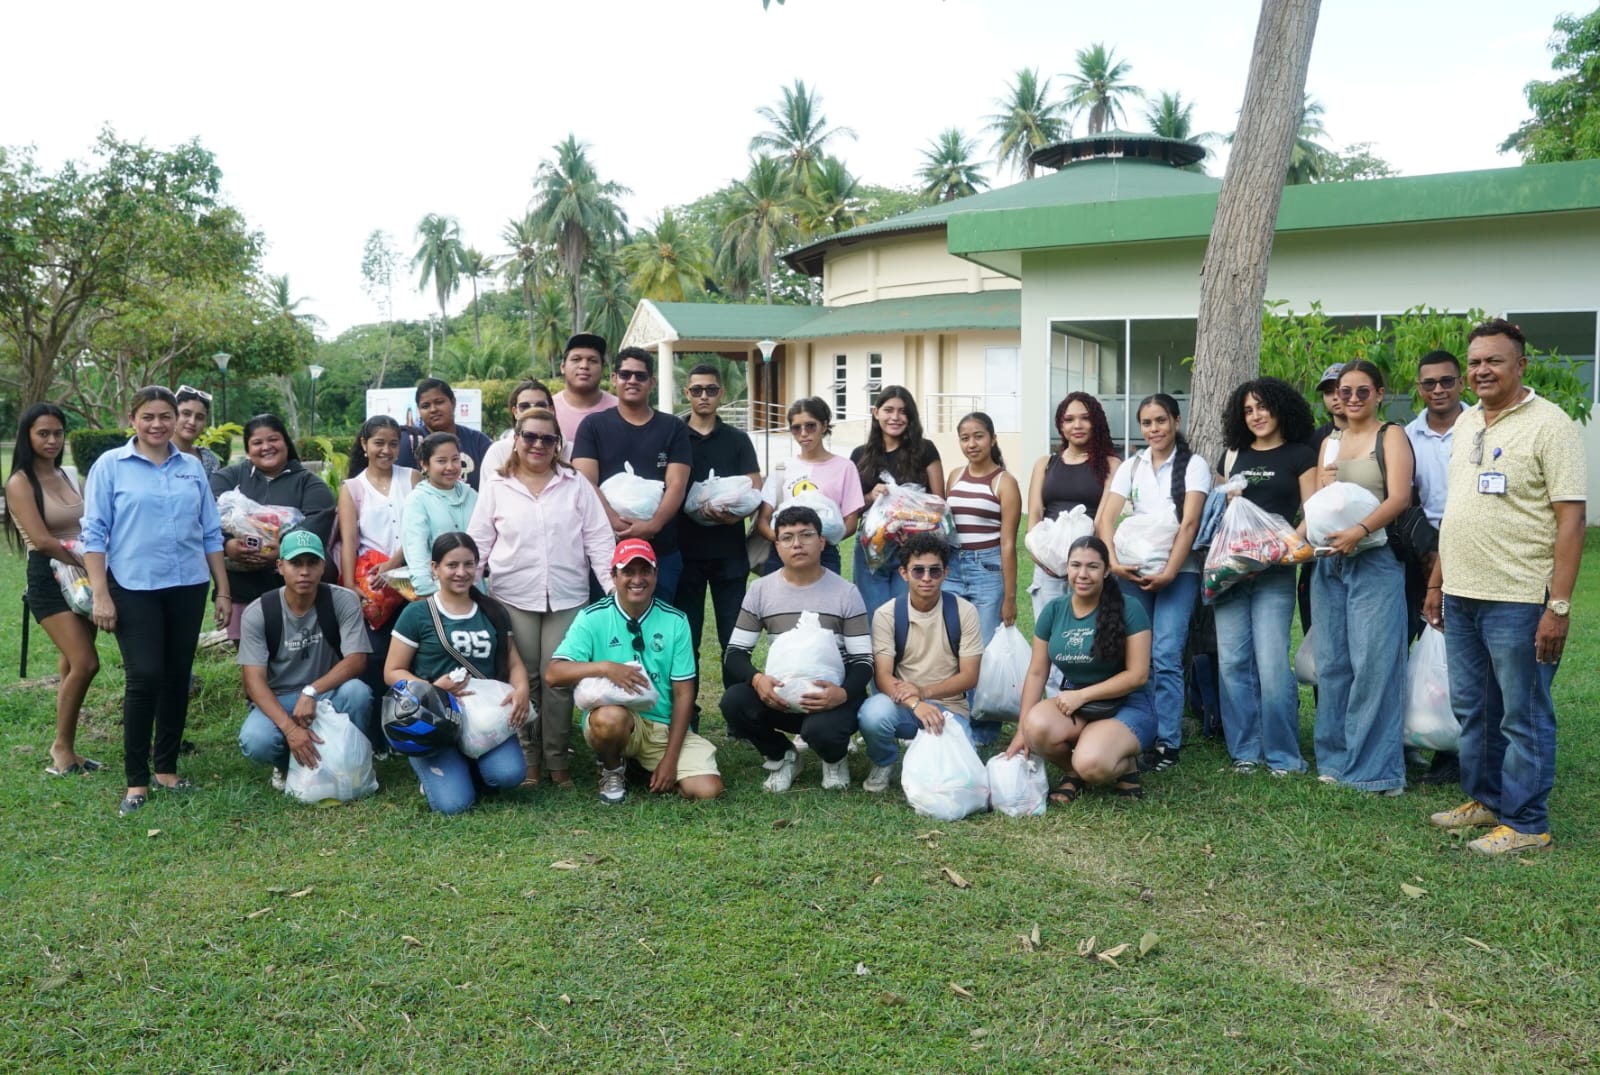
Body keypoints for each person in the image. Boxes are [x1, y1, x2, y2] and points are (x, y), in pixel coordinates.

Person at [1424, 319, 1586, 855]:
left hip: (1519, 598)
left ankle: (1526, 821)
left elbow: (1571, 521)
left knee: (1523, 712)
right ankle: (1487, 799)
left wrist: (1557, 607)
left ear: (1521, 366)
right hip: (1462, 593)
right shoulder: (1469, 423)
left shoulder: (1552, 425)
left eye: (1493, 360)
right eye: (1475, 362)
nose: (1481, 370)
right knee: (1475, 708)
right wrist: (1437, 583)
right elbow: (1458, 512)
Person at [80, 386, 230, 816]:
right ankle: (135, 781)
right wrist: (101, 594)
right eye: (149, 416)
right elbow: (94, 535)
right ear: (133, 419)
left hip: (187, 584)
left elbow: (209, 531)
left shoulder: (191, 467)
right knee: (144, 675)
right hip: (132, 584)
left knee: (176, 675)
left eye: (166, 416)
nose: (158, 424)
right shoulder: (111, 466)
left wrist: (222, 588)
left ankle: (166, 768)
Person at [468, 408, 615, 789]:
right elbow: (479, 541)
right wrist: (466, 591)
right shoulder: (498, 486)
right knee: (524, 679)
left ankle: (557, 759)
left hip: (567, 596)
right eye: (530, 436)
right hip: (512, 596)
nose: (537, 445)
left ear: (558, 445)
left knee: (558, 680)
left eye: (547, 439)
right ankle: (527, 759)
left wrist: (613, 589)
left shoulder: (575, 483)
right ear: (515, 439)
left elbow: (598, 539)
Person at [547, 539, 723, 804]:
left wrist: (670, 760)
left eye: (645, 571)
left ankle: (645, 767)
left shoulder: (676, 620)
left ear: (656, 574)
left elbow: (684, 693)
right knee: (609, 720)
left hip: (661, 724)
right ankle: (612, 768)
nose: (637, 579)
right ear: (614, 576)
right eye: (628, 571)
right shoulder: (592, 617)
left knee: (708, 790)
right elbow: (553, 673)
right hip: (617, 719)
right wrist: (606, 667)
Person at [1311, 361, 1413, 796]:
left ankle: (1374, 771)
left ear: (1379, 394)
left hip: (1374, 559)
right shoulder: (1330, 442)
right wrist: (1285, 543)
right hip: (1329, 562)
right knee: (1333, 664)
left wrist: (1360, 530)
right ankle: (1335, 760)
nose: (1351, 398)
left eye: (1361, 391)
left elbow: (1400, 497)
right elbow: (1318, 503)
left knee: (1374, 665)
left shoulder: (1390, 435)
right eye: (1343, 391)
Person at [1096, 392, 1210, 773]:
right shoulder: (1132, 465)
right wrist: (1113, 562)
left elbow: (1190, 524)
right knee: (1136, 657)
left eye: (1161, 420)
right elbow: (1105, 519)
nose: (1154, 429)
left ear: (1176, 422)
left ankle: (1168, 741)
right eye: (1147, 423)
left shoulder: (1194, 466)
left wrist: (1170, 572)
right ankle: (1138, 732)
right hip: (1131, 571)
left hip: (1179, 573)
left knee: (1165, 654)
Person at [721, 505, 873, 792]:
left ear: (822, 542)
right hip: (781, 696)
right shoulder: (761, 590)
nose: (797, 544)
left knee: (821, 731)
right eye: (788, 537)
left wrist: (841, 694)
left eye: (806, 535)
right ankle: (784, 755)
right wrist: (758, 680)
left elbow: (863, 660)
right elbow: (735, 653)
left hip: (830, 696)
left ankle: (835, 758)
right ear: (776, 546)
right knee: (734, 701)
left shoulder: (845, 592)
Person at [1212, 378, 1317, 775]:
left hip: (1273, 573)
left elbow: (1311, 513)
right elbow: (1220, 513)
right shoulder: (1232, 455)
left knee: (1272, 664)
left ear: (1281, 408)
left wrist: (1278, 550)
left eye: (1262, 407)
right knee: (1233, 664)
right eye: (1248, 410)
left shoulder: (1300, 455)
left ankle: (1283, 755)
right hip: (1230, 573)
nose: (1256, 416)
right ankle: (1245, 751)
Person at [385, 532, 532, 814]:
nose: (461, 573)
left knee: (510, 775)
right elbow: (392, 671)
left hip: (484, 719)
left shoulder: (493, 611)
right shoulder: (417, 614)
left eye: (469, 564)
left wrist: (522, 688)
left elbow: (513, 661)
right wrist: (430, 689)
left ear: (478, 566)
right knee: (454, 805)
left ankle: (470, 769)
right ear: (434, 568)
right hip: (434, 719)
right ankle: (442, 770)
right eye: (452, 565)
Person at [1005, 535, 1154, 802]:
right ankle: (1073, 773)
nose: (1082, 574)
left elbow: (1138, 674)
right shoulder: (1054, 610)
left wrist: (1082, 695)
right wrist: (1021, 731)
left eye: (1092, 567)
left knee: (1093, 764)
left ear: (1107, 570)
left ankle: (1125, 766)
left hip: (1126, 704)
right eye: (1075, 565)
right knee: (1035, 726)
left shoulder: (1130, 609)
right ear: (1067, 569)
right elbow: (1037, 672)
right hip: (1076, 703)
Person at [6, 403, 101, 776]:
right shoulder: (19, 482)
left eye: (57, 433)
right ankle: (60, 749)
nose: (51, 440)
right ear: (28, 437)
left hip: (83, 577)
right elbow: (44, 540)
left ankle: (70, 748)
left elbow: (89, 523)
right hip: (49, 577)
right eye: (42, 433)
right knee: (86, 662)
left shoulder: (68, 474)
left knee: (70, 664)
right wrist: (89, 561)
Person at [237, 532, 374, 790]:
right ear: (280, 567)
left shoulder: (342, 600)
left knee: (358, 692)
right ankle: (287, 763)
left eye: (312, 563)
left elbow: (357, 660)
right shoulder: (260, 611)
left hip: (326, 692)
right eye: (296, 563)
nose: (304, 572)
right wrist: (290, 729)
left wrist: (312, 691)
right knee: (256, 740)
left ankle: (351, 758)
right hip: (280, 697)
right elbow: (253, 682)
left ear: (323, 566)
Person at [857, 533, 984, 793]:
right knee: (872, 715)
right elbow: (882, 676)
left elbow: (970, 676)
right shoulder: (887, 614)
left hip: (950, 708)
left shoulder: (964, 611)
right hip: (903, 704)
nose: (926, 578)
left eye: (934, 571)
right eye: (918, 571)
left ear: (946, 573)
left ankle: (930, 746)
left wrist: (924, 693)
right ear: (903, 573)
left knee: (957, 781)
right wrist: (916, 703)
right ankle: (885, 761)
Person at [572, 347, 691, 605]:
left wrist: (653, 525)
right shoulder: (593, 426)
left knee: (659, 629)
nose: (633, 381)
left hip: (662, 550)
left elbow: (677, 483)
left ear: (652, 382)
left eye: (640, 375)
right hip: (606, 551)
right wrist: (615, 522)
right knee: (608, 630)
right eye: (625, 374)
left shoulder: (673, 428)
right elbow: (585, 481)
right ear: (614, 378)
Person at [676, 363, 762, 717]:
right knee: (687, 638)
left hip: (729, 553)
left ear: (721, 393)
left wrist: (737, 513)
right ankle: (687, 712)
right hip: (685, 553)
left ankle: (736, 714)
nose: (704, 396)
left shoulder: (737, 440)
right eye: (697, 390)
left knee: (734, 638)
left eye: (711, 389)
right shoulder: (675, 436)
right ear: (687, 393)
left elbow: (755, 485)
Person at [210, 413, 336, 642]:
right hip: (242, 586)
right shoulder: (227, 479)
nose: (266, 447)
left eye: (273, 439)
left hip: (294, 589)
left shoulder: (310, 484)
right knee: (250, 655)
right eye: (257, 442)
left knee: (294, 651)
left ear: (285, 442)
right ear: (248, 449)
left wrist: (284, 551)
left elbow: (317, 525)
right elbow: (207, 519)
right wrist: (228, 545)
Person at [1404, 350, 1467, 786]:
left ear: (1460, 383)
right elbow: (1406, 497)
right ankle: (1410, 737)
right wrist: (1428, 554)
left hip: (1472, 548)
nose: (1438, 390)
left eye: (1446, 381)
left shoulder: (1479, 426)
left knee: (1461, 654)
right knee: (1415, 643)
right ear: (1419, 388)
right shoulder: (1408, 436)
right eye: (1429, 384)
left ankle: (1455, 752)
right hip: (1421, 551)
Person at [336, 414, 417, 701]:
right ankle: (376, 731)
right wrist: (349, 587)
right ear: (364, 444)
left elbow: (421, 530)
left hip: (412, 582)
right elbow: (349, 541)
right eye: (379, 443)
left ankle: (411, 722)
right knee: (376, 654)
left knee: (413, 651)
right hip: (374, 588)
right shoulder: (353, 488)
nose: (386, 450)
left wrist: (395, 563)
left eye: (393, 444)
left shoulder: (412, 478)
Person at [1026, 393, 1122, 621]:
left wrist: (1081, 565)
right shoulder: (1045, 464)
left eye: (1085, 418)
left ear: (1096, 422)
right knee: (1049, 638)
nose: (1076, 425)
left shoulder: (1111, 465)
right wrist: (1042, 558)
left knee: (1086, 637)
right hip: (1047, 566)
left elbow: (1101, 522)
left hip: (1088, 567)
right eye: (1069, 419)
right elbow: (1035, 514)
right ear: (1060, 424)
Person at [850, 386, 943, 617]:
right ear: (875, 413)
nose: (895, 417)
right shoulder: (859, 455)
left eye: (902, 411)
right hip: (871, 547)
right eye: (888, 410)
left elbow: (940, 503)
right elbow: (852, 507)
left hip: (914, 549)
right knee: (875, 617)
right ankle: (879, 656)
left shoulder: (925, 450)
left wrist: (911, 518)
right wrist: (872, 496)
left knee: (908, 617)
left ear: (910, 416)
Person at [753, 397, 864, 575]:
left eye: (810, 426)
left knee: (823, 603)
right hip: (782, 555)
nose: (803, 433)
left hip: (824, 554)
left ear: (824, 425)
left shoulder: (845, 467)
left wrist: (817, 543)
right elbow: (763, 520)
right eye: (796, 428)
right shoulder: (782, 468)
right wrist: (787, 541)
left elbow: (850, 521)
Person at [401, 432, 478, 598]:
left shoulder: (471, 495)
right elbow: (416, 550)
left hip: (474, 590)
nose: (450, 467)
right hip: (438, 594)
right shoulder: (418, 500)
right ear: (425, 464)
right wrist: (427, 592)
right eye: (441, 461)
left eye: (455, 459)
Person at [1301, 364, 1347, 633]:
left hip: (1365, 541)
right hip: (1320, 545)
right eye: (1328, 392)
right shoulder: (1315, 439)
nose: (1335, 397)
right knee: (1320, 629)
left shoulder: (1379, 434)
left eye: (1340, 389)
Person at [396, 377, 494, 490]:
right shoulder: (410, 441)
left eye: (439, 402)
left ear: (453, 403)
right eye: (425, 406)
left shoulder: (478, 441)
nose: (433, 409)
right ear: (418, 410)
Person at [551, 333, 618, 448]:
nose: (584, 366)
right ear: (562, 367)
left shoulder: (621, 409)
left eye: (592, 360)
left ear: (602, 369)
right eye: (576, 359)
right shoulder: (548, 409)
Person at [480, 378, 557, 474]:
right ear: (515, 412)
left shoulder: (567, 449)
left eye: (540, 405)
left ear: (551, 410)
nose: (532, 411)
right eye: (524, 406)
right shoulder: (498, 452)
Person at [172, 384, 223, 478]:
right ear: (172, 414)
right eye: (186, 414)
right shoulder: (153, 452)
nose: (192, 422)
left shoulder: (209, 461)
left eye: (199, 417)